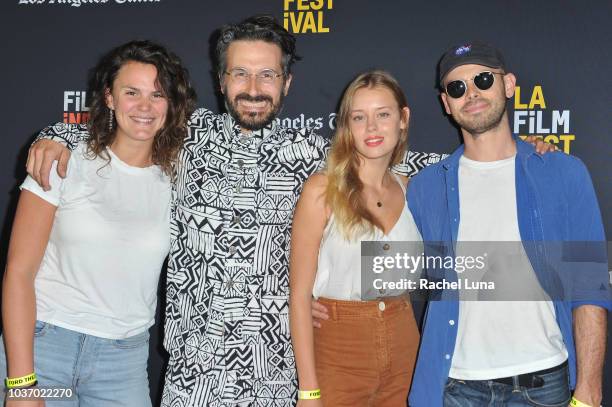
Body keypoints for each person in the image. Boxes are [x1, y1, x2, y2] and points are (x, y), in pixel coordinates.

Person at [22, 17, 554, 405]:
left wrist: (521, 152)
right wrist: (56, 134)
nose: (253, 89)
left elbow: (396, 155)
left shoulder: (311, 155)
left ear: (287, 83)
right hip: (196, 376)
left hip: (284, 372)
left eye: (268, 76)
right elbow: (121, 132)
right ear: (221, 80)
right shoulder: (184, 138)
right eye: (240, 75)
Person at [406, 42, 610, 407]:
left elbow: (589, 289)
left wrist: (590, 391)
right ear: (446, 104)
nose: (472, 93)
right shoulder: (424, 187)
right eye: (457, 87)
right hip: (455, 387)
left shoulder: (564, 173)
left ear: (509, 84)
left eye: (483, 79)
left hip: (543, 382)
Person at [1, 40, 195, 406]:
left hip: (123, 362)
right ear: (109, 98)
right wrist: (22, 383)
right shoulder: (63, 163)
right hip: (46, 349)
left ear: (172, 103)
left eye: (157, 95)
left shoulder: (182, 179)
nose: (144, 107)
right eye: (131, 92)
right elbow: (18, 273)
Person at [290, 70, 421, 406]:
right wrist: (309, 390)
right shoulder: (322, 190)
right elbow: (300, 296)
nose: (372, 128)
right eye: (359, 117)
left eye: (383, 114)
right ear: (347, 126)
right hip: (338, 347)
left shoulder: (414, 189)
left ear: (402, 119)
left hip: (405, 342)